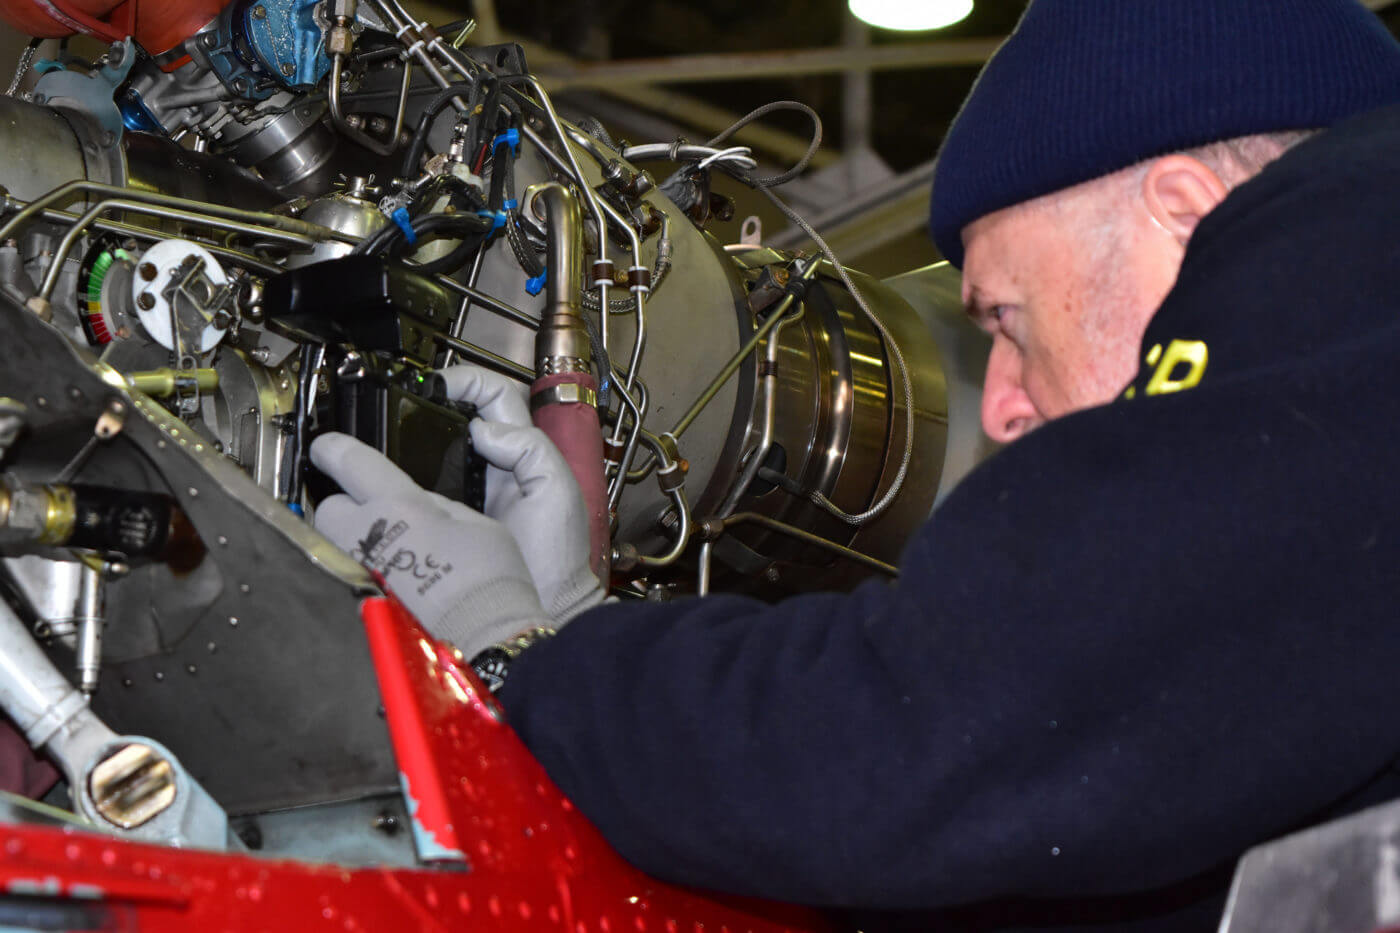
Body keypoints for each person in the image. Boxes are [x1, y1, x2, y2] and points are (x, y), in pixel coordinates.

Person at [309, 0, 1400, 927]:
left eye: (1006, 319)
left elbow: (929, 739)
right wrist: (578, 630)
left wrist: (530, 658)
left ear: (1183, 212)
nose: (1007, 407)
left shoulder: (1352, 235)